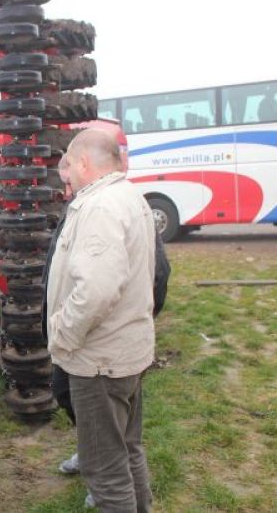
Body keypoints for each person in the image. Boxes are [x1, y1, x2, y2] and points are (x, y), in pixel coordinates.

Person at [46, 130, 171, 481]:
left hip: (99, 361)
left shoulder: (100, 206)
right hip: (125, 353)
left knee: (105, 469)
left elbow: (96, 290)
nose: (66, 176)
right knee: (129, 451)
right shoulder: (129, 195)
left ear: (82, 162)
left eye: (68, 166)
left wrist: (64, 335)